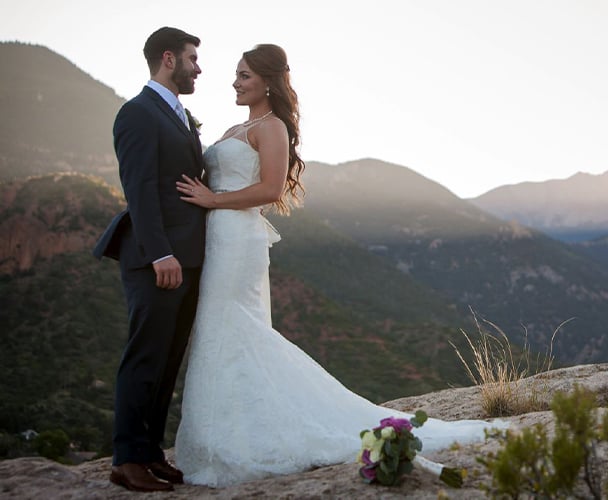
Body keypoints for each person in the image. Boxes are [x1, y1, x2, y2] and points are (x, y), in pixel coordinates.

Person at [172, 44, 506, 488]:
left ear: (268, 81)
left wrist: (214, 199)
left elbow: (271, 188)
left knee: (233, 326)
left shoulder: (271, 127)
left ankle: (247, 436)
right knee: (218, 326)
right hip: (218, 236)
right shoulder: (237, 126)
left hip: (237, 237)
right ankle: (227, 431)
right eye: (236, 74)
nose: (235, 81)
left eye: (245, 75)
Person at [92, 26, 206, 492]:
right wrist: (161, 252)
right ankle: (126, 458)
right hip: (156, 258)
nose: (199, 67)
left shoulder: (178, 113)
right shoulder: (137, 113)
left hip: (187, 256)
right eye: (193, 58)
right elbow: (138, 189)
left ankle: (151, 451)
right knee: (144, 356)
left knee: (167, 358)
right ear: (168, 58)